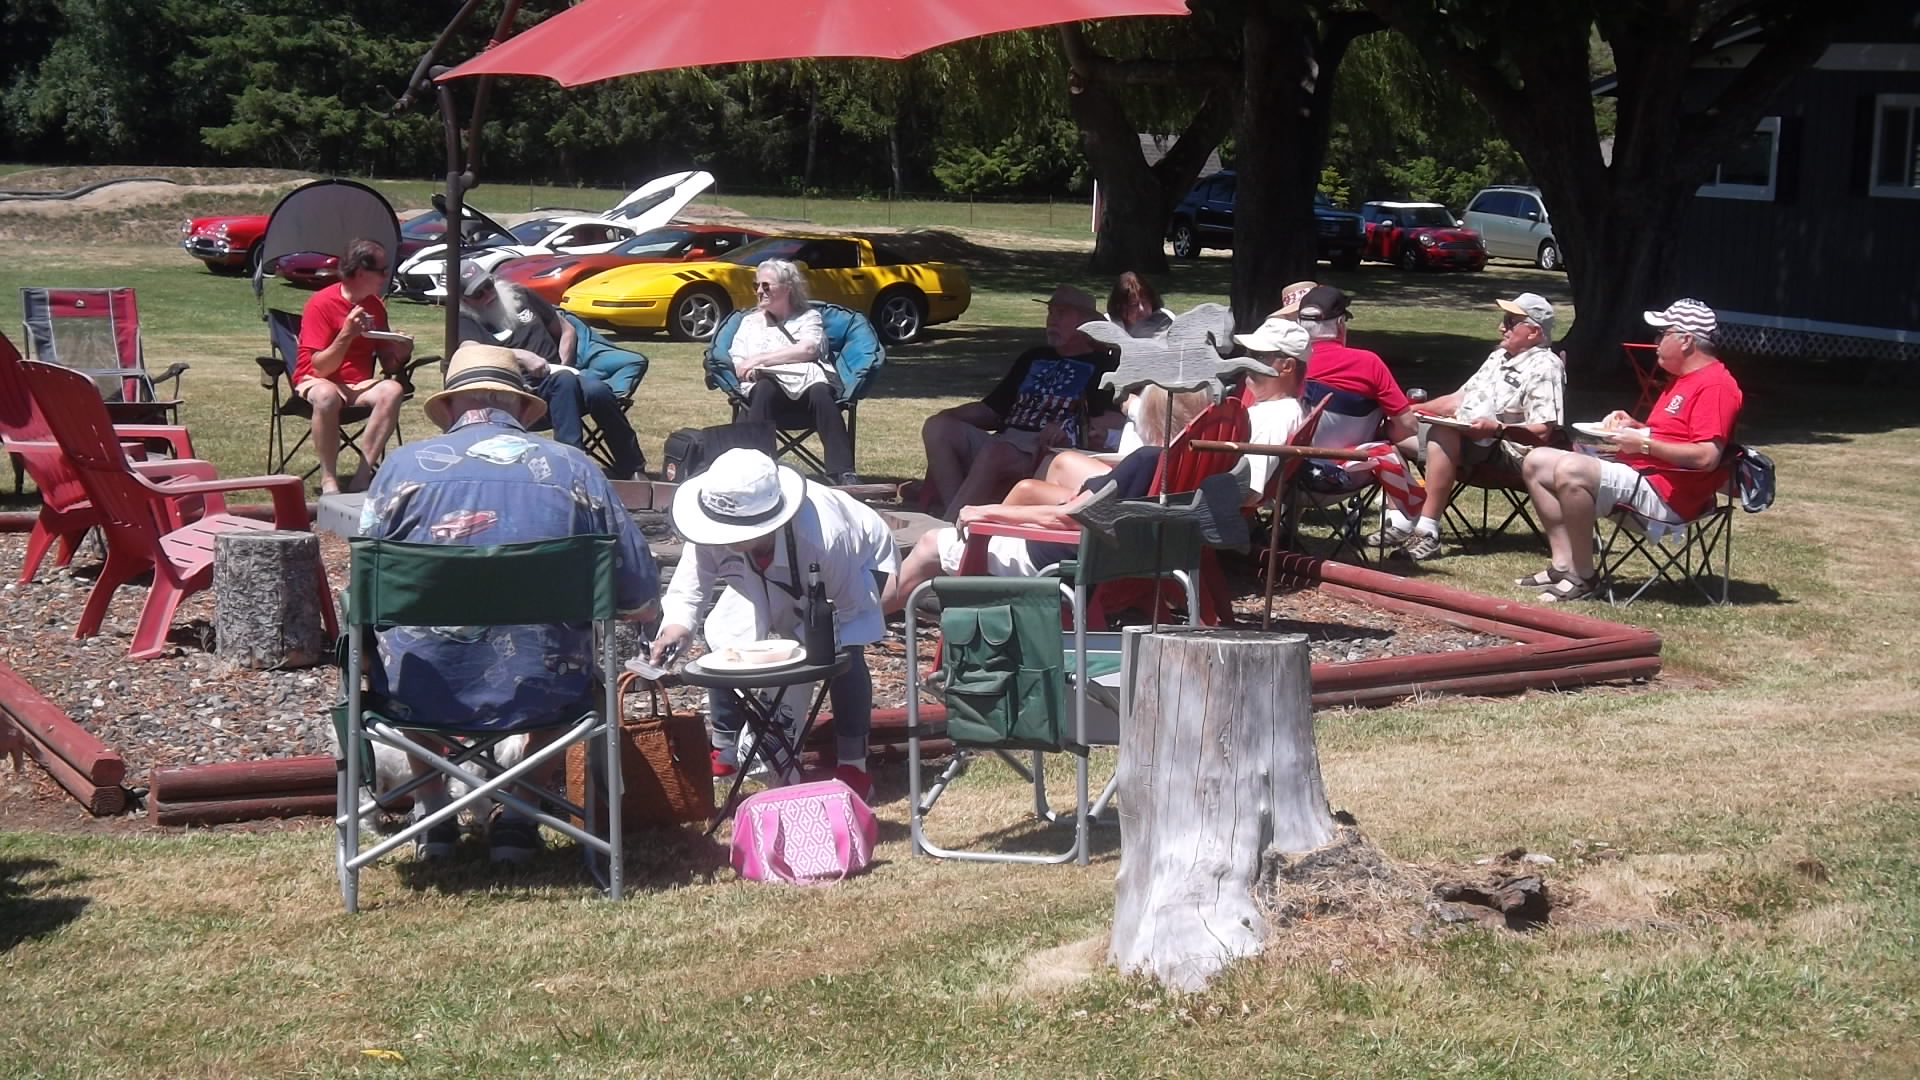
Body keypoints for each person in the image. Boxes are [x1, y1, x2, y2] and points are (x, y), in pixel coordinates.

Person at [359, 343, 661, 863]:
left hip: (420, 692)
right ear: (523, 407)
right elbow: (637, 593)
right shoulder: (574, 469)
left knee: (404, 651)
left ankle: (435, 813)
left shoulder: (400, 470)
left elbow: (363, 594)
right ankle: (520, 818)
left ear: (449, 408)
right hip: (545, 691)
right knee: (559, 658)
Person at [649, 449, 898, 801]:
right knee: (724, 642)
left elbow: (849, 610)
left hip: (853, 572)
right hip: (765, 577)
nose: (722, 538)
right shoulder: (710, 527)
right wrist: (676, 627)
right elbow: (690, 589)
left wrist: (804, 646)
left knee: (845, 655)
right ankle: (726, 748)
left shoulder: (825, 538)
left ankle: (853, 764)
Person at [1516, 298, 1742, 602]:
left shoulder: (1715, 386)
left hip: (1669, 498)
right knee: (1536, 460)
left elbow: (1707, 456)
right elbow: (1676, 436)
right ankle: (1563, 564)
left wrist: (1644, 444)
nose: (1656, 342)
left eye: (1663, 334)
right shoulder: (1682, 380)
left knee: (1572, 469)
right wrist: (1637, 428)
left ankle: (1583, 577)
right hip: (1645, 476)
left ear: (1686, 340)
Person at [1377, 293, 1565, 561]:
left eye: (1510, 322)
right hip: (1469, 440)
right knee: (1393, 428)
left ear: (1534, 332)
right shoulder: (1499, 357)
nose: (1501, 327)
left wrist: (1495, 428)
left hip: (1510, 450)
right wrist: (1407, 412)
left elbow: (1543, 432)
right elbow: (1457, 400)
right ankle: (1401, 519)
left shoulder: (1546, 366)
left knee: (1443, 431)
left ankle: (1428, 532)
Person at [919, 285, 1119, 518]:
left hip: (1045, 450)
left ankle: (952, 524)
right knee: (937, 427)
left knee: (996, 452)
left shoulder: (1102, 366)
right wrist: (949, 415)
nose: (1052, 320)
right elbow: (993, 410)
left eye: (1062, 313)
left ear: (1085, 323)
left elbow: (1110, 420)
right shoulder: (1034, 357)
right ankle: (956, 514)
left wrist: (1067, 428)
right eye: (1050, 313)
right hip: (1004, 439)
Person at [456, 260, 645, 480]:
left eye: (488, 285)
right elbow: (470, 350)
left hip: (560, 376)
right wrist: (520, 356)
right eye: (478, 293)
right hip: (521, 391)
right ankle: (571, 467)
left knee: (598, 391)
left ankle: (632, 467)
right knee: (564, 381)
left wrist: (564, 365)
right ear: (465, 300)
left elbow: (566, 329)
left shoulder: (519, 295)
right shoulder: (466, 319)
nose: (488, 294)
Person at [1293, 286, 1425, 522]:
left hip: (1282, 476)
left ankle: (1281, 527)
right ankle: (1401, 521)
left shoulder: (1283, 363)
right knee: (1387, 448)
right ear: (1340, 323)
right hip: (1343, 475)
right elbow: (1409, 426)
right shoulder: (1367, 364)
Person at [727, 257, 858, 485]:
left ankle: (843, 473)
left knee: (820, 391)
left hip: (808, 396)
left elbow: (808, 349)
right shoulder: (749, 323)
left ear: (787, 288)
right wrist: (776, 361)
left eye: (766, 286)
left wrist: (760, 360)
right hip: (767, 399)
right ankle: (756, 471)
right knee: (764, 388)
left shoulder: (808, 317)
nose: (759, 291)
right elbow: (740, 364)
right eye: (756, 285)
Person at [295, 238, 409, 495]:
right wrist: (346, 334)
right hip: (316, 380)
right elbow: (320, 369)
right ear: (360, 272)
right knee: (326, 395)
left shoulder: (375, 305)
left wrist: (401, 353)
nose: (385, 276)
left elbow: (389, 365)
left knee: (392, 390)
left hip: (358, 384)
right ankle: (328, 479)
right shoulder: (321, 303)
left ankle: (363, 477)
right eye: (381, 270)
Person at [1228, 316, 1312, 499]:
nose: (1247, 362)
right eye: (1248, 354)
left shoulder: (1274, 418)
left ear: (1287, 366)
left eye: (1258, 356)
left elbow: (1248, 491)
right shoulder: (1282, 409)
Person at [1107, 271, 1173, 339]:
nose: (1141, 309)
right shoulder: (1108, 324)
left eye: (1145, 302)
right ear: (1119, 306)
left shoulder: (1163, 322)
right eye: (1133, 304)